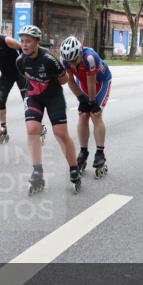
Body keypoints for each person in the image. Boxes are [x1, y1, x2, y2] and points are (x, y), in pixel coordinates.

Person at [15, 25, 81, 194]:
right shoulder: (20, 61)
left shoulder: (49, 59)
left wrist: (48, 80)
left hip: (53, 96)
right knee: (32, 129)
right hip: (35, 96)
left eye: (28, 41)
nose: (25, 45)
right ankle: (37, 172)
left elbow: (64, 79)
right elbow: (26, 78)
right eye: (22, 41)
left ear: (37, 42)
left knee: (60, 133)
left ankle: (74, 168)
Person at [0, 20, 45, 145]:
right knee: (0, 100)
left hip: (19, 73)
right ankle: (3, 128)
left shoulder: (6, 40)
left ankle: (38, 128)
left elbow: (22, 48)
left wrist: (25, 66)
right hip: (6, 75)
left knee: (28, 102)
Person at [59, 36, 111, 178]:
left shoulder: (89, 58)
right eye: (69, 61)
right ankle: (83, 151)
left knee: (95, 114)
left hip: (100, 81)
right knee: (82, 115)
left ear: (80, 53)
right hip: (83, 81)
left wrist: (93, 103)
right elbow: (70, 81)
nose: (72, 63)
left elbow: (92, 83)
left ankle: (100, 152)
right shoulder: (65, 60)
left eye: (74, 60)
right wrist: (81, 99)